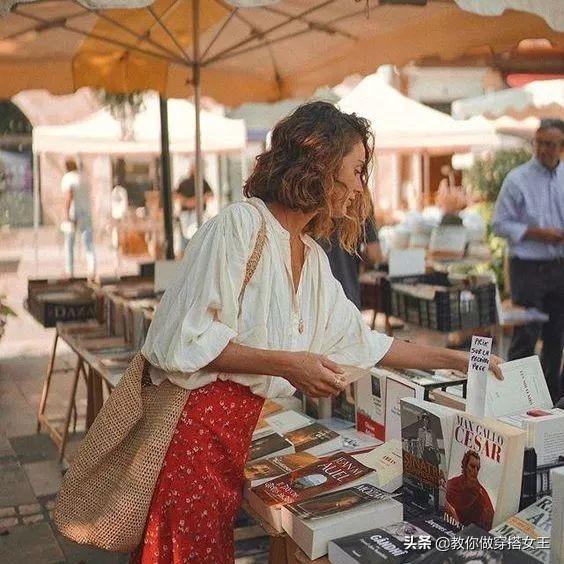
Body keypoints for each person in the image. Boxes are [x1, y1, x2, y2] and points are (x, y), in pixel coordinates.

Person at [134, 102, 502, 563]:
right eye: (357, 170)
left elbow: (367, 343)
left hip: (234, 434)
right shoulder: (239, 226)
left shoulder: (310, 257)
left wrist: (460, 360)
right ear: (321, 164)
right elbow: (184, 340)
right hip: (194, 434)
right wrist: (289, 365)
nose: (360, 186)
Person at [492, 118, 564, 401]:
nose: (544, 149)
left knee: (557, 336)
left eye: (551, 144)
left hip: (559, 267)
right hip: (527, 269)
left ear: (561, 146)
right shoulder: (517, 179)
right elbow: (499, 224)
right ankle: (515, 400)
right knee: (525, 336)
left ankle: (548, 402)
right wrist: (537, 234)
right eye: (540, 143)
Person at [319, 215, 381, 309]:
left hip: (315, 293)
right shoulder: (362, 207)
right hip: (348, 291)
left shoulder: (310, 206)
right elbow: (374, 254)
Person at [60, 158, 96, 278]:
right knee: (88, 242)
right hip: (86, 211)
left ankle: (69, 271)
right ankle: (92, 270)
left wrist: (65, 213)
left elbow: (69, 196)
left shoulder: (68, 178)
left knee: (69, 242)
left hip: (73, 212)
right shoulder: (84, 177)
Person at [445, 450, 494, 531]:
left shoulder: (482, 493)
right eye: (472, 466)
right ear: (465, 465)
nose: (475, 471)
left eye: (478, 468)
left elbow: (489, 521)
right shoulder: (452, 484)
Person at [174, 163, 214, 243]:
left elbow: (210, 195)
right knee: (186, 236)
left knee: (199, 235)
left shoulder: (202, 182)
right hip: (186, 212)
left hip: (199, 212)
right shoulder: (184, 182)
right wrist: (186, 202)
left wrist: (197, 201)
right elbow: (175, 195)